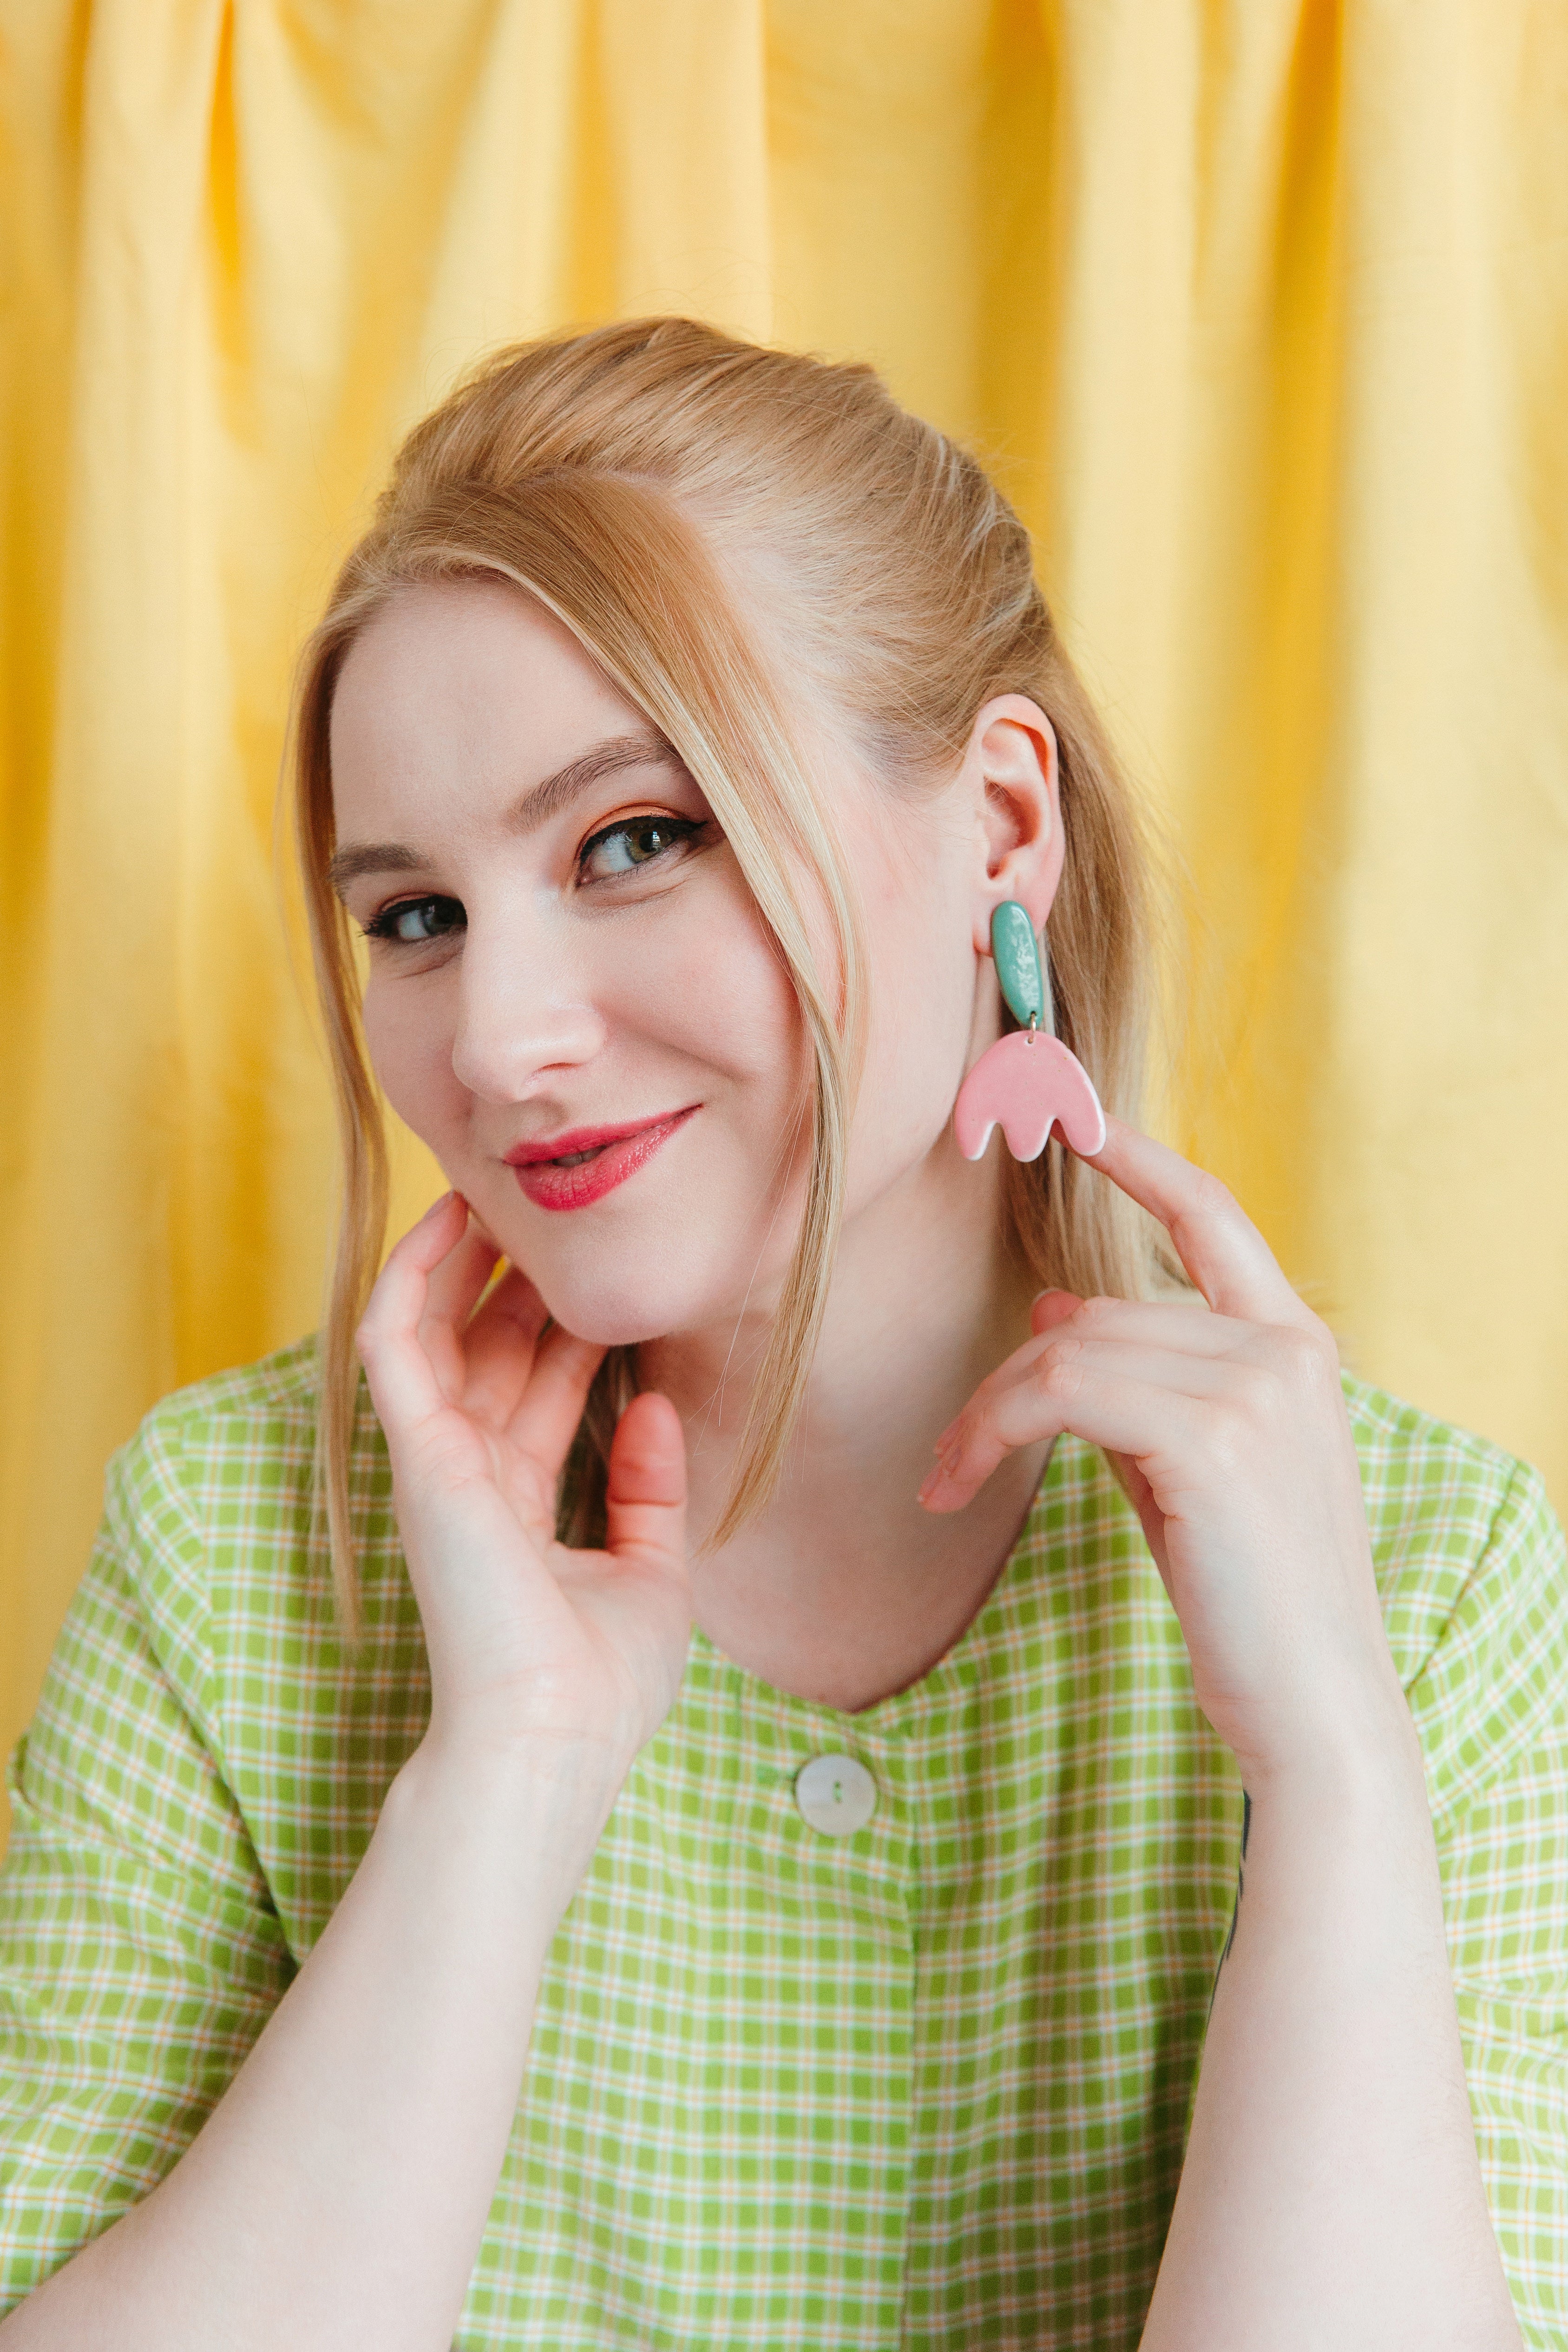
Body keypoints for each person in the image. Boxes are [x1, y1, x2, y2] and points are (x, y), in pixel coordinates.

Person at [0, 317, 1561, 2352]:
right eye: (413, 917)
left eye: (635, 839)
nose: (493, 1044)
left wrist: (1335, 1780)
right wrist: (509, 1779)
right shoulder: (231, 1548)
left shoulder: (1426, 1583)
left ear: (1002, 828)